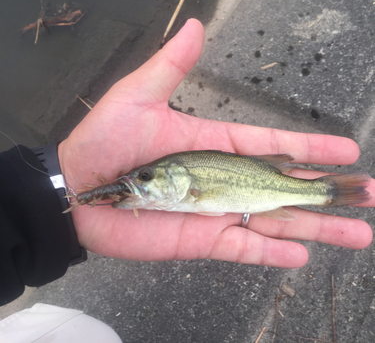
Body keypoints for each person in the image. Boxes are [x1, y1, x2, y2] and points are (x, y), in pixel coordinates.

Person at [1, 18, 374, 308]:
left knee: (311, 198)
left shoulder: (188, 190)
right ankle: (327, 192)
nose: (138, 183)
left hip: (266, 190)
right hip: (257, 196)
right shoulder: (158, 193)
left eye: (146, 176)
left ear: (181, 180)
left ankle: (326, 193)